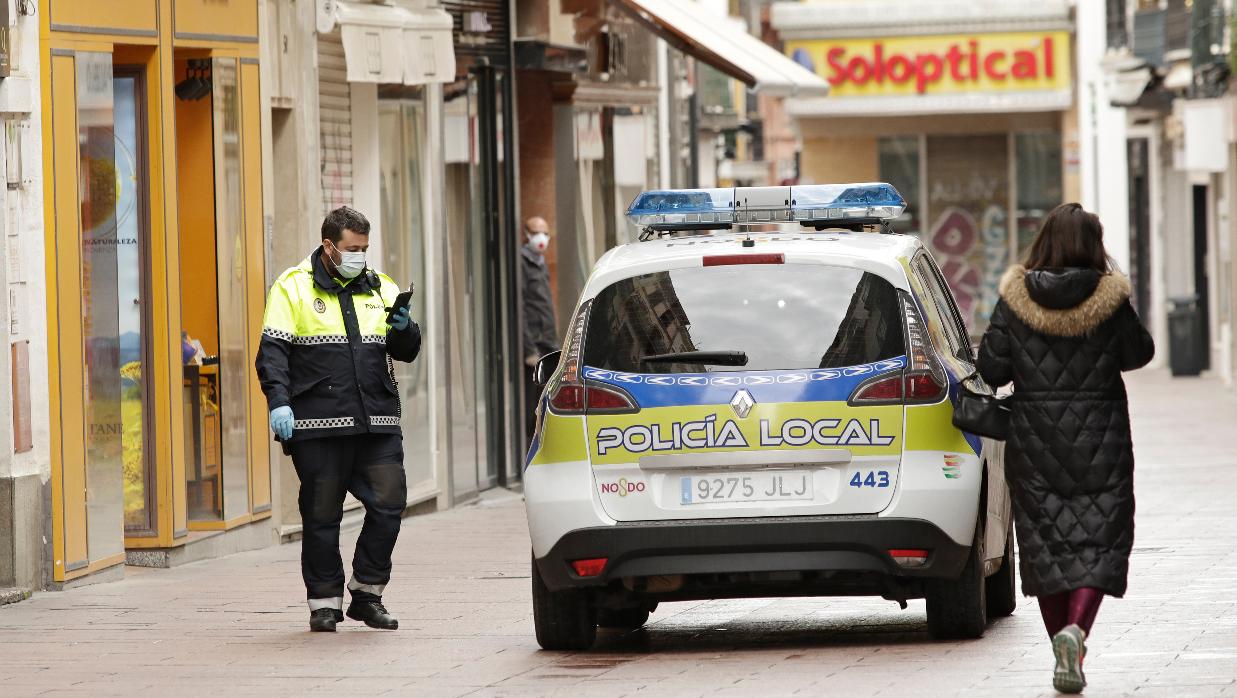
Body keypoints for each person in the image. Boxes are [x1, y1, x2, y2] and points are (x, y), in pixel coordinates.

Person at [977, 203, 1154, 694]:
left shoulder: (1014, 300)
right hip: (1103, 442)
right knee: (1102, 542)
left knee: (1045, 548)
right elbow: (1139, 354)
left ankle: (1061, 642)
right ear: (1094, 244)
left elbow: (993, 370)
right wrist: (1114, 287)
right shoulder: (1109, 298)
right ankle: (1078, 632)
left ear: (1044, 241)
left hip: (1035, 445)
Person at [255, 206, 421, 633]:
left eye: (364, 248)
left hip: (376, 422)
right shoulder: (292, 287)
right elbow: (272, 353)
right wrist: (278, 402)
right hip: (317, 424)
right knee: (322, 515)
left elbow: (405, 350)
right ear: (329, 245)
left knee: (389, 505)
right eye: (352, 248)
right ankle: (324, 604)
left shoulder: (380, 286)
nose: (360, 256)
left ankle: (367, 593)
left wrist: (405, 328)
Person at [521, 216, 558, 442]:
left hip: (546, 340)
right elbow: (521, 307)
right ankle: (530, 443)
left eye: (544, 232)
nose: (541, 238)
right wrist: (528, 349)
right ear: (526, 234)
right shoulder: (523, 262)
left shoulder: (540, 262)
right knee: (532, 399)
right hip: (535, 344)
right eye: (536, 232)